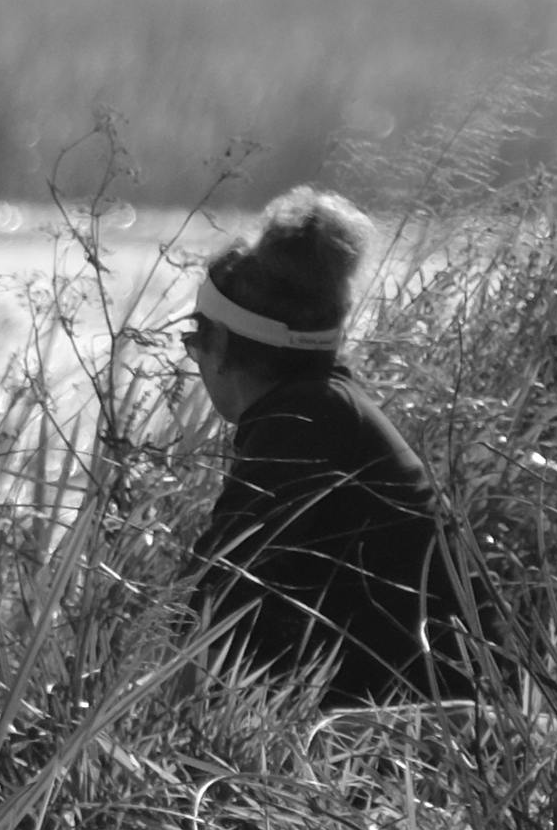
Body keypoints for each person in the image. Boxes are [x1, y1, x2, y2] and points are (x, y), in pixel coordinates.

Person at [177, 188, 457, 706]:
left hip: (434, 727)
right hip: (430, 707)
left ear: (218, 348)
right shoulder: (328, 406)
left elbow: (214, 597)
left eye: (195, 341)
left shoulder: (301, 422)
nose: (194, 359)